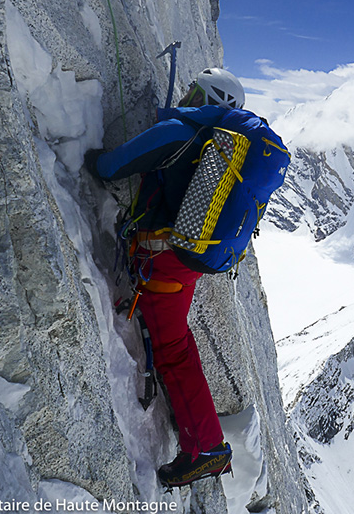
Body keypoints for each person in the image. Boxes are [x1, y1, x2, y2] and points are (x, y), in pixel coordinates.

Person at [84, 68, 285, 487]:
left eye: (196, 91)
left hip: (162, 259)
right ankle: (205, 442)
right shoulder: (215, 149)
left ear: (208, 99)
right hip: (185, 258)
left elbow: (110, 166)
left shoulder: (180, 131)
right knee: (179, 342)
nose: (188, 95)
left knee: (173, 348)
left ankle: (207, 448)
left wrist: (89, 157)